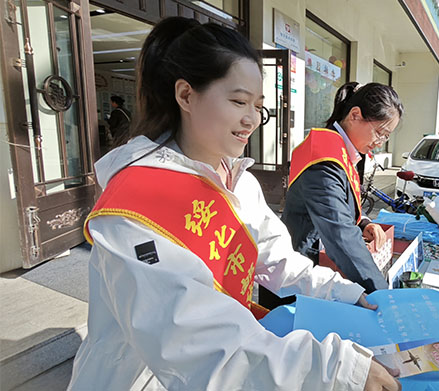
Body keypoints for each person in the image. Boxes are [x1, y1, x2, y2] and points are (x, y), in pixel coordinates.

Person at [68, 17, 400, 391]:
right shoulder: (134, 204)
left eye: (258, 105)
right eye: (238, 101)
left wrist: (345, 292)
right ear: (186, 95)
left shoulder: (237, 179)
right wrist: (334, 371)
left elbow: (276, 258)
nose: (252, 119)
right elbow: (196, 341)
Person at [263, 82, 402, 308]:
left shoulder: (341, 149)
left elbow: (342, 203)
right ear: (355, 115)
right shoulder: (323, 158)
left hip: (316, 268)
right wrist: (385, 297)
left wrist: (363, 222)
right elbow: (340, 234)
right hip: (297, 275)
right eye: (380, 132)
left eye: (385, 137)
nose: (379, 143)